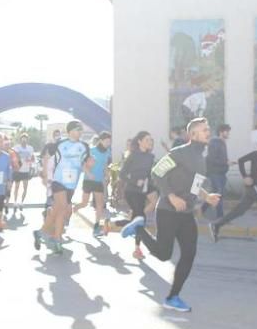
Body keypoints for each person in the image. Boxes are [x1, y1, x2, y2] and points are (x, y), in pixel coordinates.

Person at [121, 118, 221, 312]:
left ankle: (173, 297)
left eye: (208, 128)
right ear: (193, 135)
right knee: (163, 254)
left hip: (186, 213)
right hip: (167, 210)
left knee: (189, 254)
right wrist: (172, 196)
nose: (208, 131)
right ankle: (138, 228)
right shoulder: (179, 152)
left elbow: (196, 184)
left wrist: (207, 196)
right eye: (204, 129)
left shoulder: (201, 159)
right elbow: (156, 173)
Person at [35, 121, 92, 254]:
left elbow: (84, 163)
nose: (80, 133)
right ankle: (57, 240)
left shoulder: (84, 146)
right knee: (61, 207)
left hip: (72, 184)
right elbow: (46, 156)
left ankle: (40, 233)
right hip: (58, 181)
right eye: (78, 130)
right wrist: (44, 174)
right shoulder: (60, 144)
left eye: (81, 130)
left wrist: (88, 169)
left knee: (60, 211)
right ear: (70, 131)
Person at [209, 134, 257, 245]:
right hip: (255, 186)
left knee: (239, 211)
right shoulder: (256, 155)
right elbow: (241, 161)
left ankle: (216, 225)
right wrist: (245, 176)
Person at [118, 131, 157, 260]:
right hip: (132, 191)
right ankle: (137, 249)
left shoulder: (151, 157)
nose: (149, 142)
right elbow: (122, 174)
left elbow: (148, 175)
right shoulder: (133, 155)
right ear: (139, 141)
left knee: (139, 217)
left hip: (143, 189)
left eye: (150, 140)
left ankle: (113, 224)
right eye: (147, 140)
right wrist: (134, 181)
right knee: (140, 219)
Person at [75, 131, 113, 237]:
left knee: (100, 205)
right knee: (84, 203)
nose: (108, 143)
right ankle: (71, 211)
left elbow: (105, 164)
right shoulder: (91, 151)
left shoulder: (107, 152)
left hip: (99, 182)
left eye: (109, 141)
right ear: (101, 140)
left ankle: (96, 227)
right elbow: (82, 163)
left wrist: (107, 175)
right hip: (88, 181)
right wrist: (88, 173)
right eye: (107, 141)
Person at [204, 124, 232, 220]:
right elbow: (212, 159)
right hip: (215, 172)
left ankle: (203, 208)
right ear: (221, 132)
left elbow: (221, 157)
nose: (228, 133)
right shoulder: (215, 142)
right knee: (219, 193)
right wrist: (225, 162)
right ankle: (221, 217)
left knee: (218, 193)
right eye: (227, 131)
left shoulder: (222, 142)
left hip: (221, 172)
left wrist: (228, 162)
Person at [40, 129, 63, 218]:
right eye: (56, 135)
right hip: (49, 174)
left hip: (57, 174)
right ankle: (48, 211)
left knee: (54, 193)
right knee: (50, 191)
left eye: (58, 134)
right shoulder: (50, 146)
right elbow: (45, 159)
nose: (57, 136)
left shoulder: (60, 146)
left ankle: (50, 211)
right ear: (53, 136)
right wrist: (45, 173)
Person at [11, 133, 35, 214]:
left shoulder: (30, 148)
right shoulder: (16, 147)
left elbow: (33, 158)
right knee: (16, 187)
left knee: (25, 188)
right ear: (20, 139)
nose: (24, 140)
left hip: (26, 170)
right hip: (18, 170)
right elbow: (13, 156)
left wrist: (30, 161)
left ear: (27, 140)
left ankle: (21, 202)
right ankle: (15, 202)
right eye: (22, 138)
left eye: (25, 139)